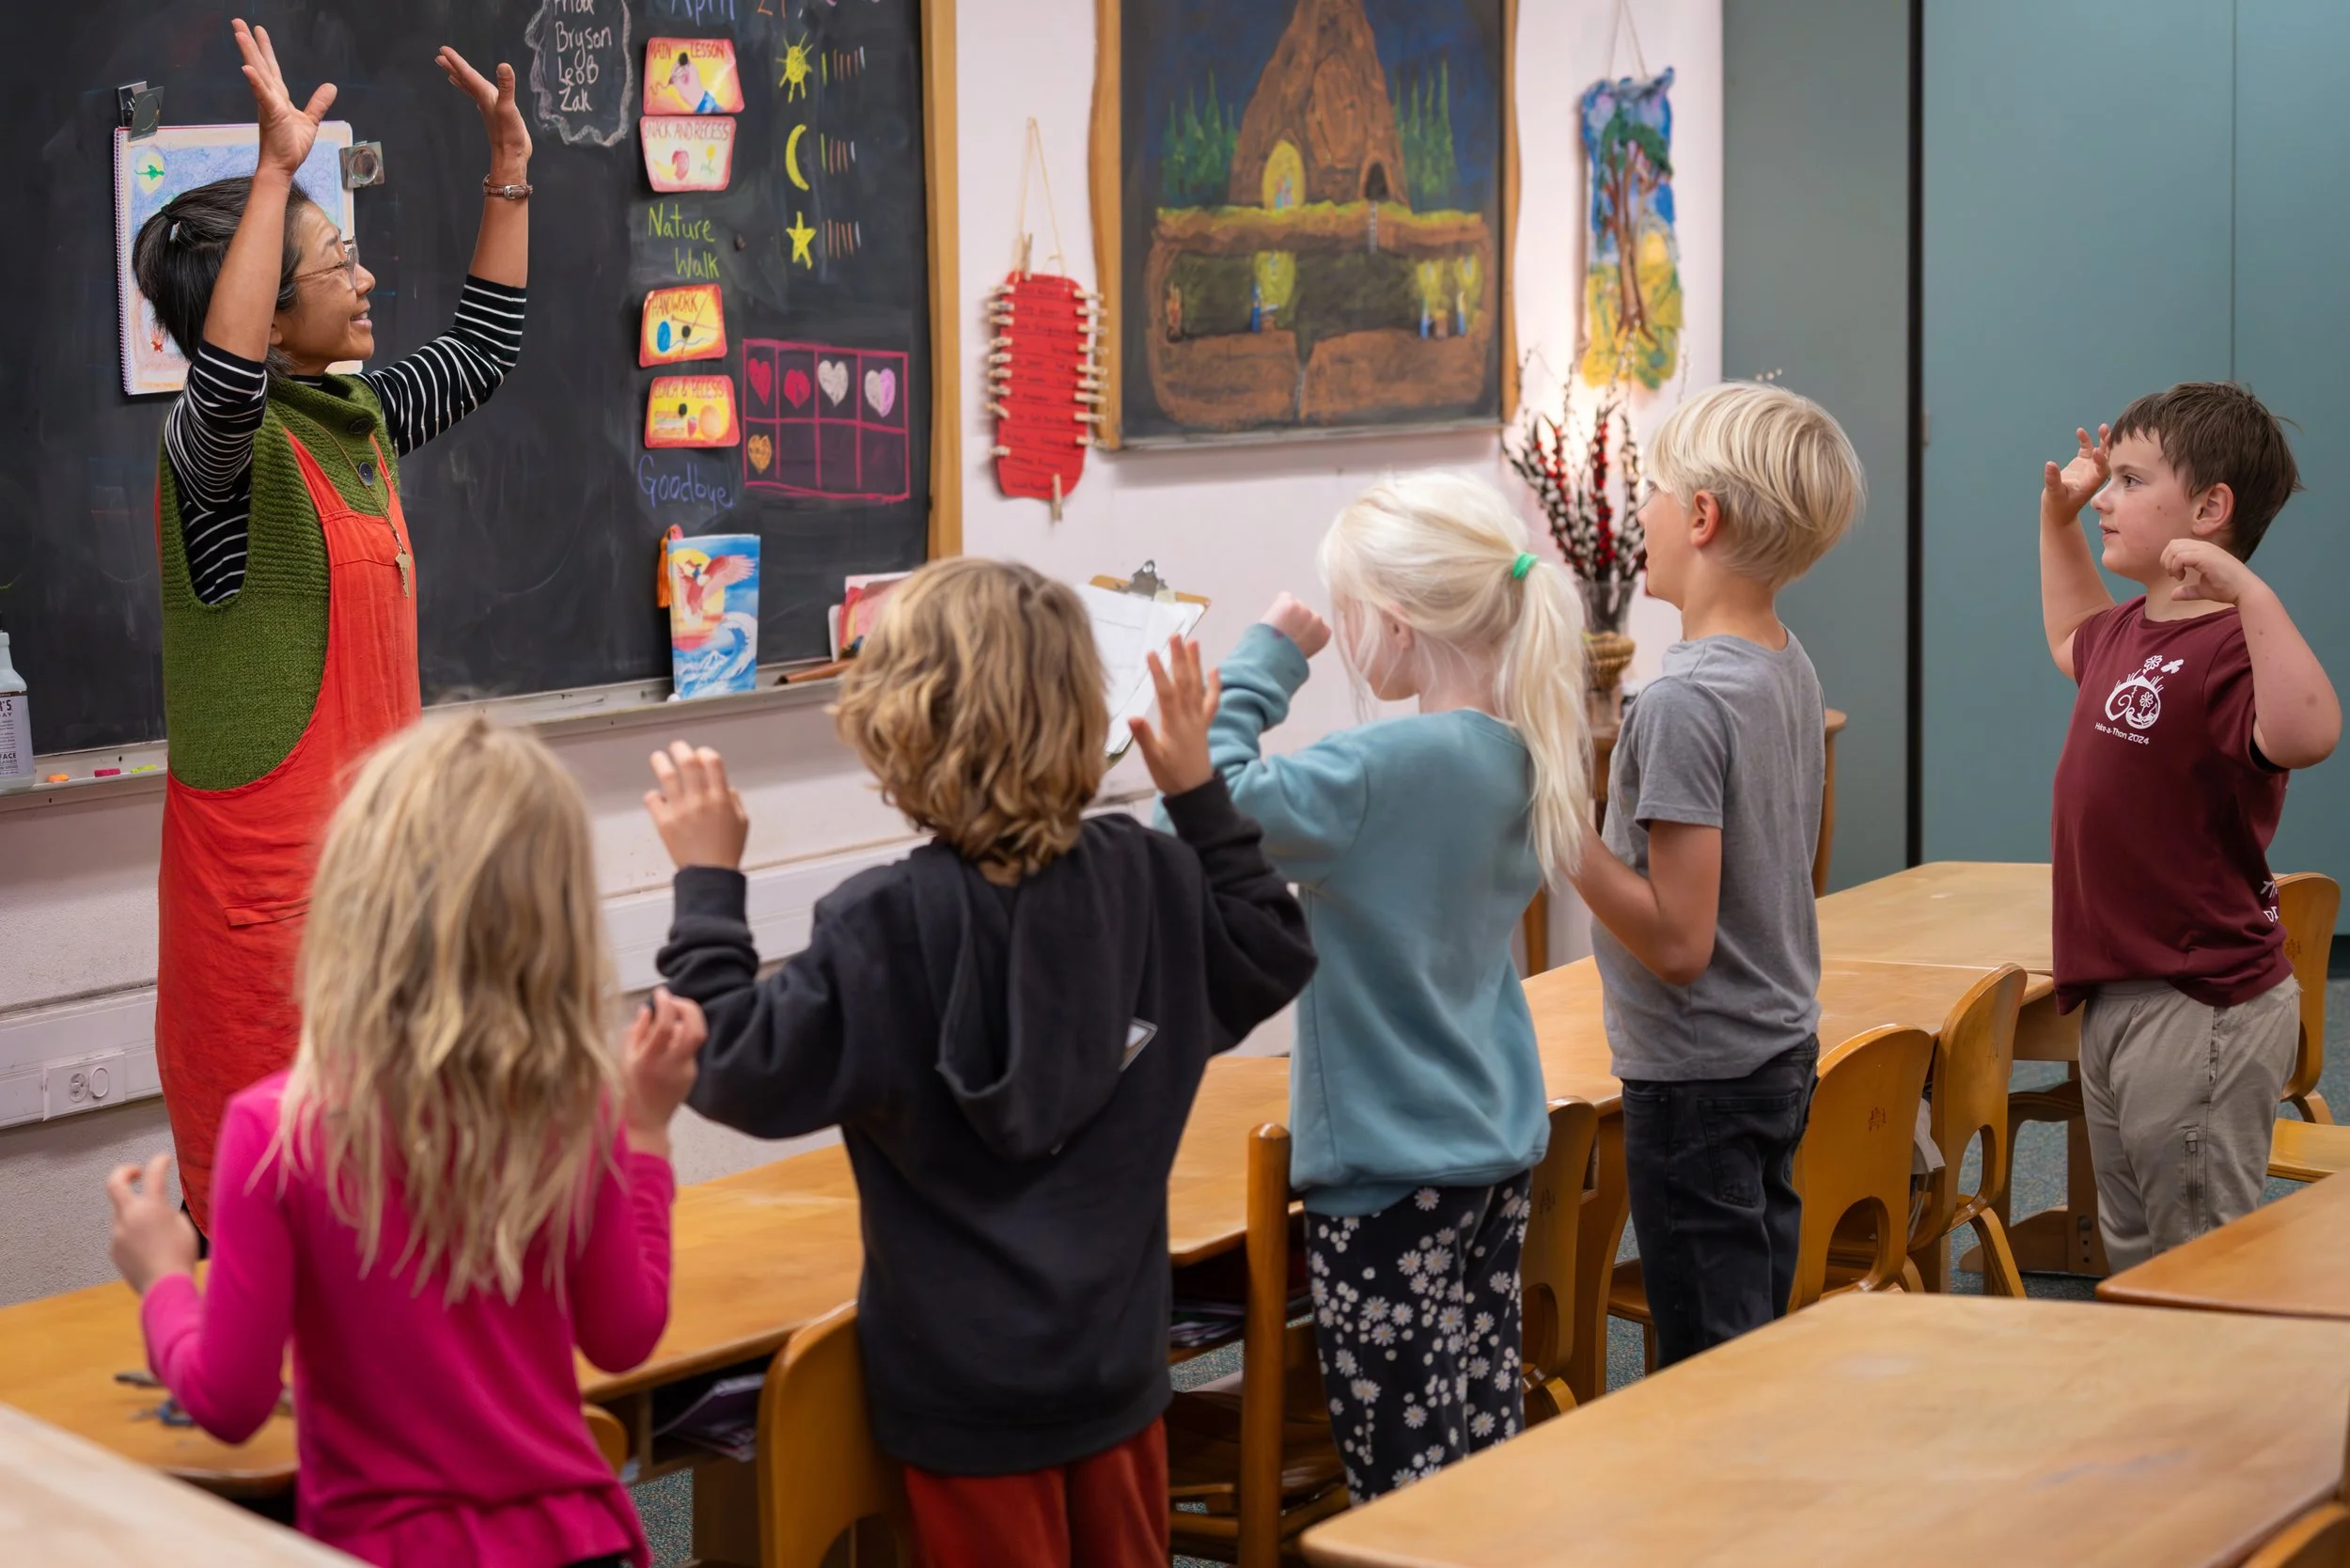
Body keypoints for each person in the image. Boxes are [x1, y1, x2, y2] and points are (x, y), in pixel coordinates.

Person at [644, 558, 1315, 1568]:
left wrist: (706, 883)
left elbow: (729, 1059)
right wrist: (1196, 791)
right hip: (1117, 1376)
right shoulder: (1153, 879)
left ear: (893, 726)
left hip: (958, 1399)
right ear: (1082, 709)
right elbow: (1271, 946)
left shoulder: (880, 925)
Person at [104, 715, 702, 1568]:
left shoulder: (278, 1131)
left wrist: (164, 1277)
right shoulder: (575, 1105)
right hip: (585, 1544)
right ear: (557, 919)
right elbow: (624, 1338)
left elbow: (229, 1404)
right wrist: (645, 1133)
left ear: (354, 899)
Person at [130, 20, 534, 1232]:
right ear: (266, 304)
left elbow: (484, 348)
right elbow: (225, 382)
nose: (365, 283)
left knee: (396, 1245)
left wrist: (508, 167)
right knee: (278, 1254)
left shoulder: (349, 420)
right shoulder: (215, 461)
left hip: (374, 914)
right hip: (261, 946)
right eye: (338, 264)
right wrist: (273, 174)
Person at [1195, 471, 1590, 1501]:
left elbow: (1207, 799)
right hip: (1489, 1155)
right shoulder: (1518, 752)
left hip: (1387, 1180)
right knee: (1475, 1443)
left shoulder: (1379, 769)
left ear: (1396, 624)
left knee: (1400, 1486)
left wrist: (1267, 659)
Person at [1570, 382, 1862, 1368]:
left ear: (1701, 517)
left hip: (1696, 1079)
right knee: (1748, 1326)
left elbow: (1677, 942)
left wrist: (1559, 831)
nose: (1640, 514)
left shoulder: (1682, 705)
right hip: (1773, 1050)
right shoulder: (1787, 662)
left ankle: (1721, 1519)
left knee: (1707, 1362)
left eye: (1651, 492)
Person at [2038, 385, 2339, 1269]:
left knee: (2201, 1255)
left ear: (2209, 511)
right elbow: (2067, 632)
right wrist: (2056, 524)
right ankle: (2159, 1403)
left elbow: (2309, 733)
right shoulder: (2125, 631)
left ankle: (2231, 1407)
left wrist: (2248, 591)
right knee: (2136, 1241)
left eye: (2130, 480)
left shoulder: (2235, 646)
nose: (2105, 497)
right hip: (2121, 988)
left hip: (2199, 1000)